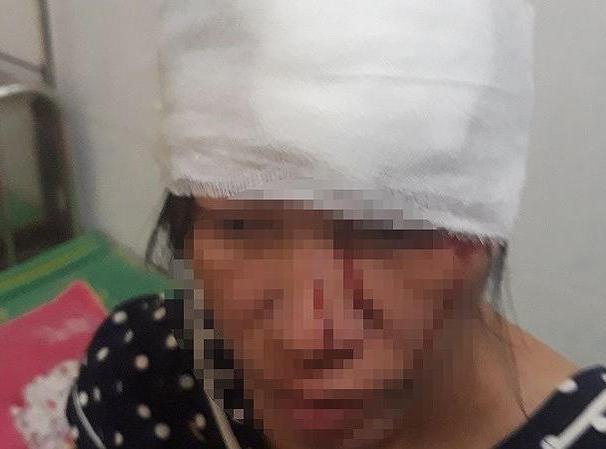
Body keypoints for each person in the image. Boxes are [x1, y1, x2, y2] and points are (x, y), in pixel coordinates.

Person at [66, 1, 606, 448]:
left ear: (490, 224)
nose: (308, 336)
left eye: (395, 228)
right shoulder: (143, 377)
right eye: (239, 223)